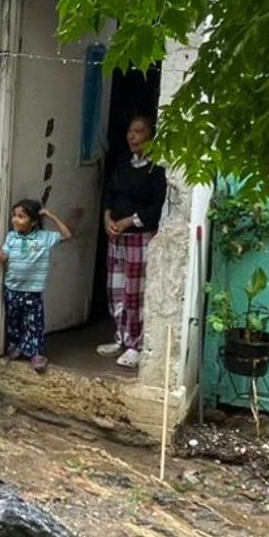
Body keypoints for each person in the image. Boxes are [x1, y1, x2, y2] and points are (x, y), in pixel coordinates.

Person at [97, 115, 167, 369]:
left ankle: (135, 345)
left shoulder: (156, 169)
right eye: (130, 130)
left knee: (134, 293)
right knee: (115, 289)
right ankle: (121, 337)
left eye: (138, 131)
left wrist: (127, 222)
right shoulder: (123, 163)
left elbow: (156, 207)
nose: (132, 136)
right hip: (116, 237)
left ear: (150, 136)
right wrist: (107, 219)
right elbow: (110, 193)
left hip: (138, 237)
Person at [0, 199, 73, 373]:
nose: (15, 220)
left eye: (21, 217)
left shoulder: (44, 237)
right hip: (12, 288)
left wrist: (51, 215)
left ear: (33, 221)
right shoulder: (11, 237)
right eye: (14, 216)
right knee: (14, 321)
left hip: (33, 290)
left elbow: (66, 235)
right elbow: (3, 258)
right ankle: (16, 347)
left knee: (34, 323)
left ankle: (36, 353)